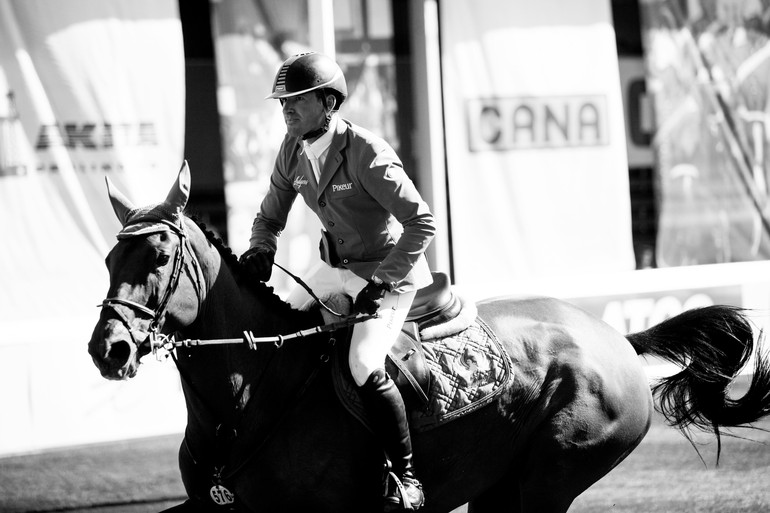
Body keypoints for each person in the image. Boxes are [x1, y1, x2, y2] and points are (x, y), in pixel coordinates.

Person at [240, 51, 435, 511]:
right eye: (282, 101)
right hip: (337, 268)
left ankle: (406, 478)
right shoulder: (291, 150)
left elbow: (421, 224)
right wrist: (260, 250)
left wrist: (383, 282)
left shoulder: (366, 151)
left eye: (296, 100)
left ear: (328, 102)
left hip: (390, 271)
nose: (285, 109)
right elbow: (268, 217)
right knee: (280, 337)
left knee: (365, 362)